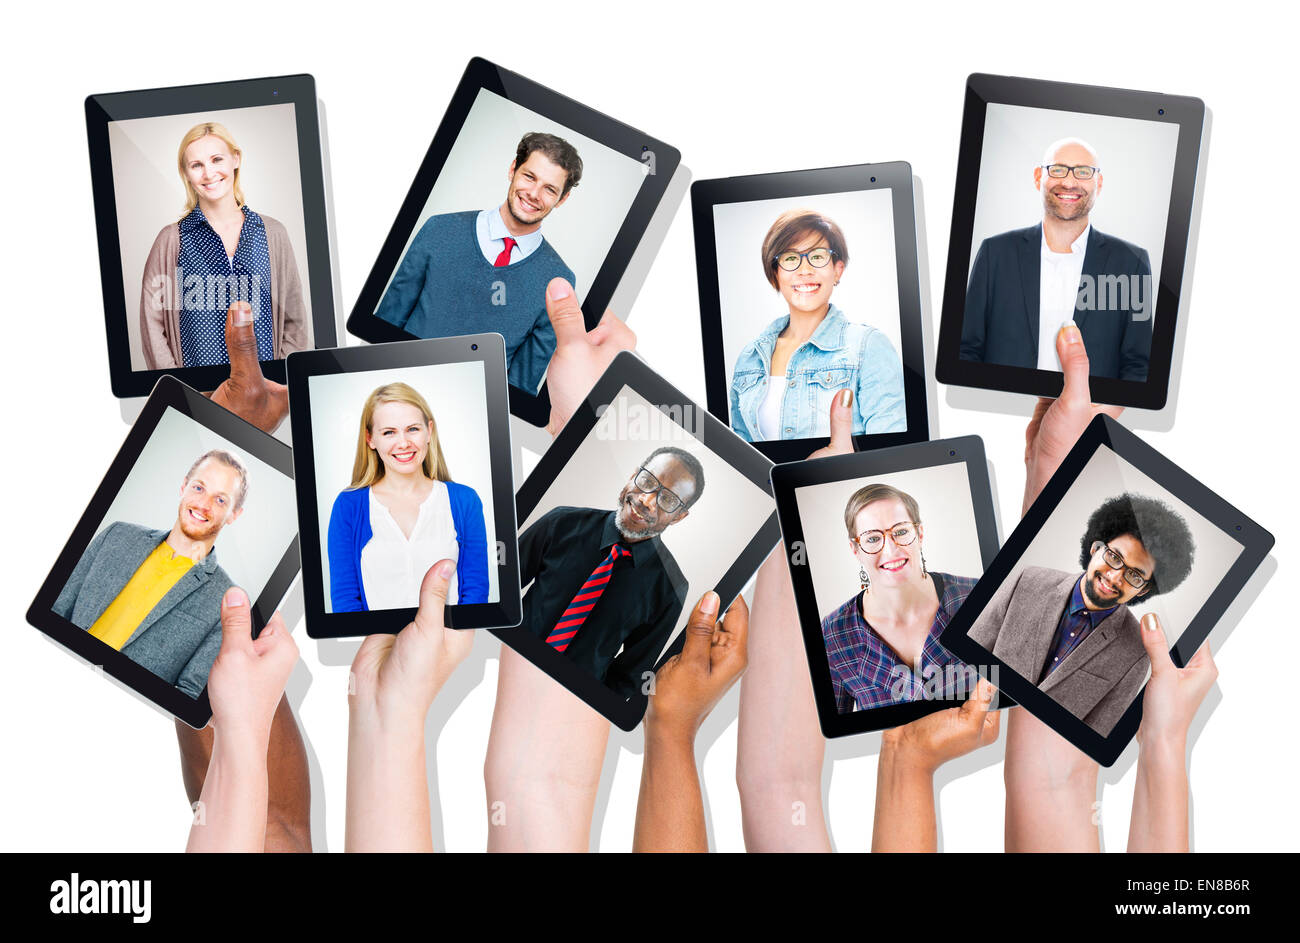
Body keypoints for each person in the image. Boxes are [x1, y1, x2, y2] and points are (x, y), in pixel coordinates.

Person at [969, 492, 1195, 736]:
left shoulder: (1136, 654)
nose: (1115, 576)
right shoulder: (1027, 580)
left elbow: (1093, 737)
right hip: (974, 722)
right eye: (1114, 557)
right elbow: (965, 657)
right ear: (1095, 548)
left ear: (1143, 589)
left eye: (1135, 575)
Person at [374, 132, 582, 392]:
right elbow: (384, 328)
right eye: (529, 177)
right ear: (512, 170)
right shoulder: (439, 229)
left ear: (562, 199)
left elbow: (519, 387)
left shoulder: (559, 282)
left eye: (549, 189)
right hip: (399, 386)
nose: (534, 194)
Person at [53, 449, 248, 698]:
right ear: (184, 486)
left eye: (220, 500)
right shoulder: (117, 535)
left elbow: (187, 693)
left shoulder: (227, 601)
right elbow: (57, 609)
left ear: (234, 514)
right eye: (199, 488)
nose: (203, 504)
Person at [959, 138, 1153, 381]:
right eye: (1058, 169)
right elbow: (965, 351)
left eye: (1083, 172)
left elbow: (1138, 366)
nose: (1069, 182)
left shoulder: (1131, 264)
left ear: (1098, 183)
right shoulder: (995, 254)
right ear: (1038, 177)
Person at [516, 447, 702, 697]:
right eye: (647, 481)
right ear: (633, 475)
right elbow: (499, 589)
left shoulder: (671, 589)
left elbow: (628, 676)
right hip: (506, 662)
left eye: (667, 499)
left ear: (678, 517)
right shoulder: (561, 523)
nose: (646, 500)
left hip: (569, 704)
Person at [141, 121, 309, 370]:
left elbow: (295, 320)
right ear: (186, 173)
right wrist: (182, 390)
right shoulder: (171, 240)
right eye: (197, 165)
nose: (209, 173)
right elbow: (152, 325)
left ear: (236, 159)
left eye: (217, 159)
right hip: (200, 398)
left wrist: (278, 384)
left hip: (264, 396)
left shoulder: (272, 233)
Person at [728, 209, 905, 442]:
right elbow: (741, 455)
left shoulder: (868, 346)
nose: (805, 270)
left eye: (818, 256)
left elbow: (892, 451)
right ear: (776, 273)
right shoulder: (750, 357)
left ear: (837, 270)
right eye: (790, 258)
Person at [327, 382, 488, 611]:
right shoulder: (349, 506)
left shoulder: (464, 501)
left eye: (412, 429)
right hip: (379, 645)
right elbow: (345, 601)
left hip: (448, 643)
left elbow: (475, 593)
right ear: (370, 439)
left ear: (429, 431)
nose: (403, 443)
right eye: (389, 432)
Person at [821, 483, 978, 713]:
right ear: (856, 550)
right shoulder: (833, 634)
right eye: (872, 538)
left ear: (919, 534)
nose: (890, 550)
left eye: (901, 531)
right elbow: (834, 742)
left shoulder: (978, 598)